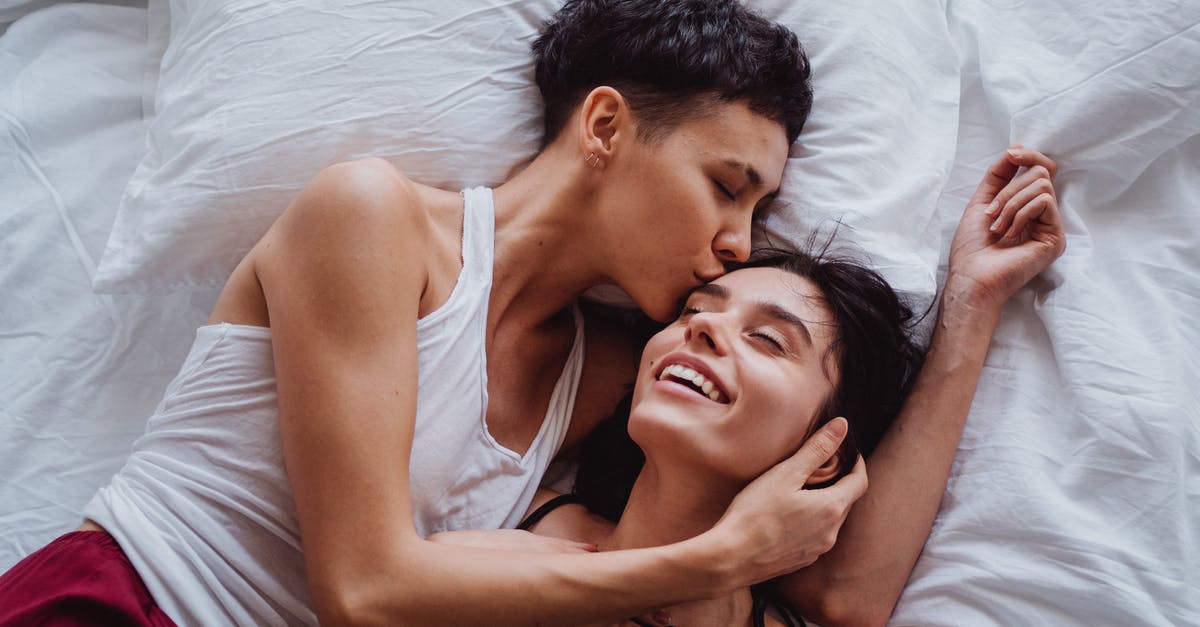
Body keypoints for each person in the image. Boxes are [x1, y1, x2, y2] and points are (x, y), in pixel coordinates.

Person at [0, 0, 1066, 623]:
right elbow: (363, 589)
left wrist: (971, 306)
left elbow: (841, 586)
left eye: (759, 209)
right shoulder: (373, 220)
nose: (739, 241)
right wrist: (716, 562)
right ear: (606, 125)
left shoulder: (618, 370)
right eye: (725, 184)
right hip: (123, 601)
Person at [500, 248, 924, 626]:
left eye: (768, 339)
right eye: (692, 309)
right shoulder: (508, 523)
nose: (701, 327)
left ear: (822, 455)